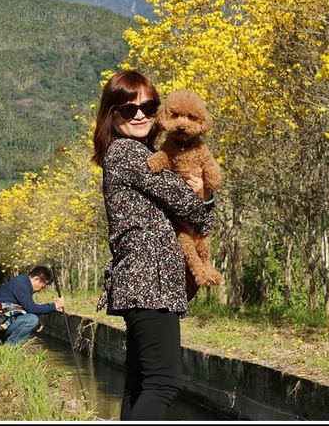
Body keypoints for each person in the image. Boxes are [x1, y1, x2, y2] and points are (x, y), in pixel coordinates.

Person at [91, 69, 217, 420]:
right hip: (150, 282)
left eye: (149, 106)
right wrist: (205, 199)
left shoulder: (134, 154)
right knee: (164, 382)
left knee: (141, 383)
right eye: (129, 110)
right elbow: (191, 206)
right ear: (111, 115)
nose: (141, 114)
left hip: (144, 281)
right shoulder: (129, 154)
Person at [0, 265, 64, 347]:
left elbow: (24, 307)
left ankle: (5, 345)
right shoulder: (21, 285)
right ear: (36, 279)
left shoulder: (23, 281)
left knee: (32, 318)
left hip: (0, 322)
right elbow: (31, 308)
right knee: (31, 320)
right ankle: (8, 347)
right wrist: (54, 306)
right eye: (42, 286)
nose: (41, 290)